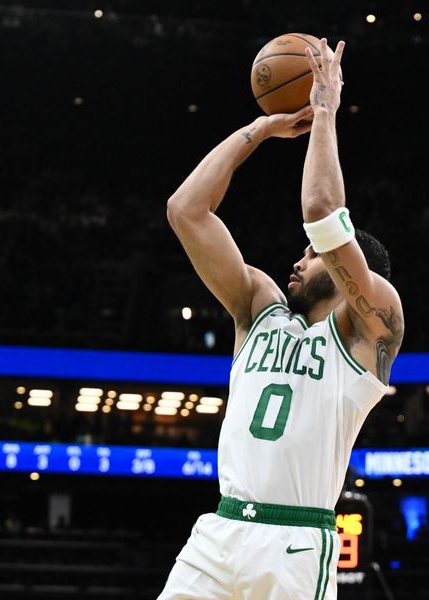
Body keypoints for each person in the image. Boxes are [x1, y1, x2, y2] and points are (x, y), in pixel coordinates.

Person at [158, 38, 404, 600]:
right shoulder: (259, 308)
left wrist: (323, 112)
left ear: (348, 269)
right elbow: (186, 211)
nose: (298, 259)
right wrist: (260, 129)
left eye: (312, 253)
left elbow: (320, 210)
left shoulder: (372, 324)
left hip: (294, 542)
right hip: (218, 533)